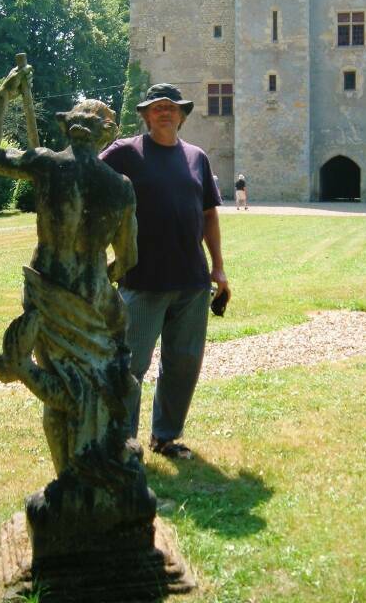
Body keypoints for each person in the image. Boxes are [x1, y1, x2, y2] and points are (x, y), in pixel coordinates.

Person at [0, 64, 142, 479]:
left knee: (59, 394)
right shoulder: (120, 186)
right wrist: (104, 273)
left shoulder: (46, 163)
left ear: (69, 127)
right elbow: (128, 259)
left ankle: (70, 482)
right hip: (97, 301)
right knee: (101, 391)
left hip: (49, 293)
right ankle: (99, 478)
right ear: (107, 135)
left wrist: (2, 97)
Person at [100, 83, 230, 459]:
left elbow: (209, 215)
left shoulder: (197, 158)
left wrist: (218, 269)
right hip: (143, 279)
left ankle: (166, 437)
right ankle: (123, 442)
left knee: (183, 364)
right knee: (130, 365)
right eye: (156, 107)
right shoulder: (126, 153)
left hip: (191, 279)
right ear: (145, 115)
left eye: (171, 108)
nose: (164, 113)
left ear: (183, 115)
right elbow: (88, 176)